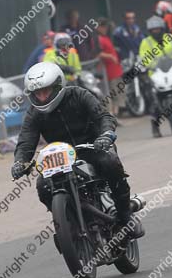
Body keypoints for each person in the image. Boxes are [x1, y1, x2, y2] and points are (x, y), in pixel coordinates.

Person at [11, 62, 144, 241]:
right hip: (60, 157)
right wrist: (20, 162)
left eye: (46, 91)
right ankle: (66, 222)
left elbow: (103, 116)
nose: (42, 97)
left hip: (93, 146)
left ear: (58, 86)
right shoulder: (34, 113)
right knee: (42, 184)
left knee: (109, 163)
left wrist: (105, 135)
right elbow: (26, 140)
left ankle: (125, 215)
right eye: (37, 93)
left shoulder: (79, 94)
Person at [139, 16, 172, 137]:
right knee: (153, 100)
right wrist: (151, 65)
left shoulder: (171, 39)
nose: (156, 32)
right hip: (155, 74)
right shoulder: (146, 42)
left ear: (163, 28)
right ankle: (155, 127)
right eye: (153, 30)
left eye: (158, 29)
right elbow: (144, 59)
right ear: (149, 31)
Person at [95, 18, 124, 115]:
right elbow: (98, 54)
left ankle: (116, 115)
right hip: (108, 71)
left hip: (115, 70)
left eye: (105, 26)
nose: (105, 28)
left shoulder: (106, 37)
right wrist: (110, 56)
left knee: (117, 93)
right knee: (110, 94)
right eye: (102, 26)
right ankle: (111, 115)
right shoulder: (98, 39)